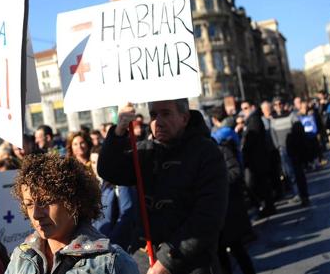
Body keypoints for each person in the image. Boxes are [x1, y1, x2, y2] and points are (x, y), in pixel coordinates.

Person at [98, 100, 228, 274]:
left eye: (166, 114)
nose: (157, 121)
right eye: (153, 115)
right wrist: (119, 130)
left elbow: (207, 218)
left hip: (190, 264)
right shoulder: (146, 151)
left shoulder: (207, 153)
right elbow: (109, 170)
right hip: (145, 260)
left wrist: (166, 261)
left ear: (184, 117)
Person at [6, 153, 138, 274]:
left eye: (46, 202)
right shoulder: (21, 257)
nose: (36, 214)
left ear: (73, 202)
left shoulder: (112, 263)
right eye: (29, 204)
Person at [210, 107, 256, 274]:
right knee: (222, 257)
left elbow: (235, 171)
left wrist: (217, 184)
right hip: (214, 216)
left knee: (238, 250)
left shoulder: (220, 148)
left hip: (227, 211)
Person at [89, 145, 138, 252]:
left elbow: (127, 214)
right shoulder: (94, 184)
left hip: (114, 246)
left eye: (98, 161)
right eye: (93, 162)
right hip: (97, 244)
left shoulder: (120, 182)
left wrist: (111, 242)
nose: (96, 166)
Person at [285, 122, 311, 206]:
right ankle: (304, 196)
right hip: (300, 160)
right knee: (301, 178)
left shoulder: (290, 137)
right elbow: (306, 148)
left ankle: (302, 196)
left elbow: (289, 150)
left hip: (294, 160)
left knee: (297, 178)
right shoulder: (303, 136)